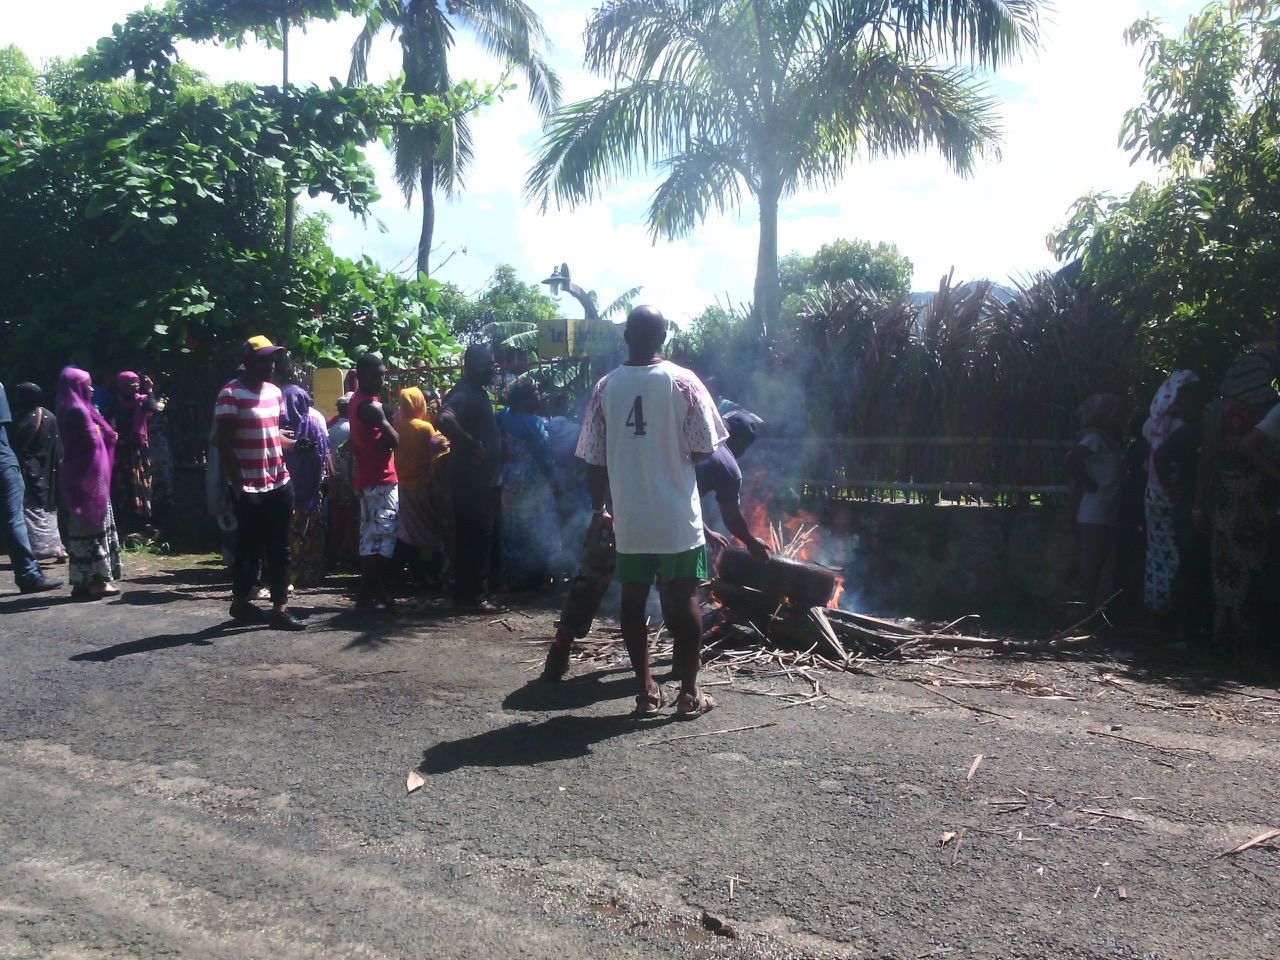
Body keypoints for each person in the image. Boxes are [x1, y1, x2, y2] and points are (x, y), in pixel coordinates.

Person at [573, 305, 727, 718]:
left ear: (626, 336)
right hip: (678, 515)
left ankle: (645, 691)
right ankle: (690, 693)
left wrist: (598, 508)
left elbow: (593, 457)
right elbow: (704, 447)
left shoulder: (606, 387)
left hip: (632, 517)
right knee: (685, 596)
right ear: (664, 338)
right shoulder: (684, 381)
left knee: (632, 602)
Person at [543, 408, 769, 681]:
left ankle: (560, 648)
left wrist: (705, 530)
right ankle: (681, 667)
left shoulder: (683, 438)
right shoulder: (729, 467)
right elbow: (729, 516)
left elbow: (673, 488)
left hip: (625, 510)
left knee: (596, 576)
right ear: (742, 444)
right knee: (678, 587)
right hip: (667, 525)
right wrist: (751, 542)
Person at [214, 335, 307, 631]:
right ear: (247, 359)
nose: (270, 364)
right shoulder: (230, 394)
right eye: (263, 358)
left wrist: (292, 445)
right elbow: (224, 444)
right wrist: (237, 485)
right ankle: (240, 602)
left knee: (280, 546)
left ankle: (280, 609)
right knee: (249, 547)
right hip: (248, 486)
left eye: (272, 358)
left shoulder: (274, 393)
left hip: (279, 481)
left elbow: (273, 434)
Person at [1194, 346, 1280, 657]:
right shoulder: (1272, 408)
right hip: (1260, 500)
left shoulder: (1216, 411)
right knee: (1258, 567)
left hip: (1223, 501)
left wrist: (1198, 505)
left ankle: (1223, 634)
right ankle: (1251, 639)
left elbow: (1206, 462)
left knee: (1225, 568)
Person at [437, 345, 505, 613]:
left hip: (478, 481)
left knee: (472, 539)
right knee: (476, 539)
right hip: (472, 482)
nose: (492, 369)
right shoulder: (464, 392)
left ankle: (467, 595)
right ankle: (475, 597)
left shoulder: (476, 392)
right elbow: (444, 418)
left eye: (493, 363)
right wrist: (470, 443)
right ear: (470, 366)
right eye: (487, 364)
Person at [55, 367, 121, 599]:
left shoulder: (64, 408)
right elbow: (92, 444)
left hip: (74, 475)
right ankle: (97, 583)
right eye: (88, 384)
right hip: (89, 478)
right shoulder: (79, 411)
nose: (92, 388)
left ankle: (81, 582)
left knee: (79, 530)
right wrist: (103, 433)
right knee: (95, 527)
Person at [1154, 379, 1211, 642]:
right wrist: (1170, 487)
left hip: (1190, 508)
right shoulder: (1193, 431)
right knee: (1193, 567)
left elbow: (1160, 455)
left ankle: (1183, 629)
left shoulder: (1194, 431)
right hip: (1195, 508)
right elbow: (1161, 456)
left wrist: (1169, 487)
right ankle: (1186, 628)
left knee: (1189, 566)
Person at [1142, 360, 1199, 615]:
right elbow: (1163, 457)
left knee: (1157, 554)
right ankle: (1175, 613)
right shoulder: (1183, 428)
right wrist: (1171, 487)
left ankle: (1157, 606)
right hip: (1173, 496)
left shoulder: (1152, 423)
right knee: (1179, 555)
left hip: (1153, 495)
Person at [495, 379, 561, 591]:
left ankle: (508, 579)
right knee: (542, 528)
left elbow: (492, 432)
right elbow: (545, 458)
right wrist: (555, 484)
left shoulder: (503, 416)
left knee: (512, 530)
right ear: (525, 400)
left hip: (510, 480)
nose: (539, 398)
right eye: (535, 394)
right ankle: (544, 579)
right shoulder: (533, 423)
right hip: (533, 485)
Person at [0, 380, 63, 594]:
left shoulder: (29, 416)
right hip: (15, 465)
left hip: (25, 467)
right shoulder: (47, 415)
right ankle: (28, 575)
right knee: (13, 519)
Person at [1065, 392, 1125, 611]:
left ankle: (1094, 608)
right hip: (1095, 510)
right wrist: (1087, 481)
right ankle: (1086, 609)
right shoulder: (1094, 439)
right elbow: (1071, 460)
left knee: (1101, 563)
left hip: (1108, 509)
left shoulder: (1109, 441)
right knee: (1092, 562)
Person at [350, 353, 399, 611]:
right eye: (376, 374)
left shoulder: (358, 401)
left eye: (383, 373)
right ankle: (365, 597)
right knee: (381, 540)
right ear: (361, 375)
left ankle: (377, 594)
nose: (381, 378)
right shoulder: (371, 406)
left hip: (368, 477)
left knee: (372, 538)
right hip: (380, 480)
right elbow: (395, 440)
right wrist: (390, 423)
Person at [393, 386, 448, 585]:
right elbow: (438, 450)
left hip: (403, 486)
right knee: (428, 529)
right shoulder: (425, 428)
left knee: (410, 532)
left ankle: (416, 572)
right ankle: (430, 572)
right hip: (423, 485)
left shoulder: (398, 427)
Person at [281, 383, 331, 589]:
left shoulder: (277, 426)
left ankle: (288, 576)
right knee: (311, 532)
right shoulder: (313, 422)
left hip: (286, 488)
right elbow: (322, 454)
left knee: (288, 534)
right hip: (310, 488)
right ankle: (309, 575)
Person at [9, 382, 66, 561]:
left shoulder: (17, 418)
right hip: (48, 470)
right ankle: (57, 547)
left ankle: (36, 548)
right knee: (48, 509)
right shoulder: (49, 416)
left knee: (28, 510)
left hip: (26, 471)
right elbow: (58, 447)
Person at [111, 370, 160, 539]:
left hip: (139, 450)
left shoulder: (143, 401)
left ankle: (144, 522)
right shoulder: (116, 403)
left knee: (142, 483)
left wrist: (150, 390)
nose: (136, 385)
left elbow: (153, 408)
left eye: (137, 382)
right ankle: (128, 521)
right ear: (123, 386)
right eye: (131, 382)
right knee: (126, 484)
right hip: (123, 451)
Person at [326, 392, 359, 566]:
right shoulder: (351, 429)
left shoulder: (331, 429)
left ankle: (336, 553)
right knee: (351, 518)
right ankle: (352, 554)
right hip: (348, 479)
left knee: (337, 519)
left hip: (335, 478)